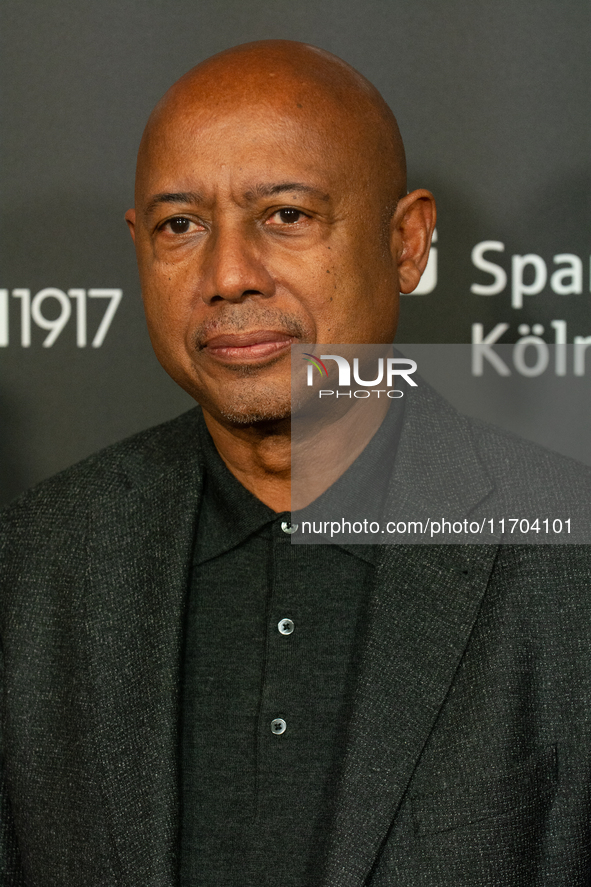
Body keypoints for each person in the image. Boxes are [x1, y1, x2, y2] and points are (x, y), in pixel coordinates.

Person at [2, 39, 591, 887]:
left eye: (285, 215)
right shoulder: (35, 560)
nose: (229, 274)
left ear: (407, 242)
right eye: (181, 226)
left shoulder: (564, 563)